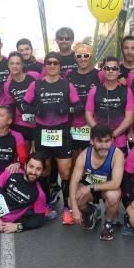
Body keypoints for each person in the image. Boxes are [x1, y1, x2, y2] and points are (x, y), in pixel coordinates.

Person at [23, 52, 82, 224]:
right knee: (45, 170)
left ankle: (67, 208)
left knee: (65, 171)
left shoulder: (66, 85)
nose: (52, 66)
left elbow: (78, 106)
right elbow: (24, 104)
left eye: (56, 63)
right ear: (45, 65)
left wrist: (68, 110)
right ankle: (46, 203)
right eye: (49, 62)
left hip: (61, 131)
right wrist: (35, 110)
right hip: (42, 132)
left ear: (60, 66)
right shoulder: (37, 84)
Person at [67, 125, 124, 240]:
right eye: (99, 141)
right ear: (91, 141)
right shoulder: (84, 155)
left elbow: (116, 183)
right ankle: (91, 212)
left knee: (114, 195)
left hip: (105, 189)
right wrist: (74, 209)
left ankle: (108, 223)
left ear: (112, 140)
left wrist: (90, 188)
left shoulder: (117, 155)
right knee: (72, 200)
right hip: (89, 188)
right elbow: (73, 182)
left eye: (107, 141)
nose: (103, 145)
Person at [85, 55, 134, 151]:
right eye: (107, 68)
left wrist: (112, 135)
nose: (110, 71)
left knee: (119, 165)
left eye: (114, 68)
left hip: (119, 139)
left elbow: (129, 119)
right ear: (103, 71)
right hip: (98, 139)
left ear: (118, 71)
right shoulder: (94, 91)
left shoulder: (127, 91)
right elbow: (88, 115)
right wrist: (100, 133)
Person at [67, 43, 99, 154]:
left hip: (90, 122)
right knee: (73, 157)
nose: (82, 59)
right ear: (75, 57)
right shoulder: (69, 74)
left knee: (89, 156)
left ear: (90, 56)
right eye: (79, 56)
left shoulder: (99, 74)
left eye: (86, 55)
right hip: (72, 122)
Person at [4, 52, 40, 145]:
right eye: (12, 63)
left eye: (17, 63)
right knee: (24, 154)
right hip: (21, 123)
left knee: (37, 155)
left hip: (39, 120)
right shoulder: (7, 85)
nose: (14, 66)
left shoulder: (34, 76)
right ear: (8, 65)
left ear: (22, 65)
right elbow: (10, 106)